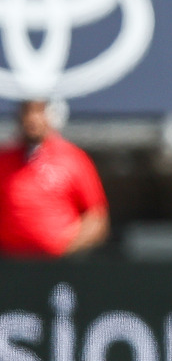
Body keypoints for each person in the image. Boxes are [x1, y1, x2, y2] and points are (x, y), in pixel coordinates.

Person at [0, 99, 109, 258]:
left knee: (62, 284)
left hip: (60, 270)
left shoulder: (73, 158)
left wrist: (66, 249)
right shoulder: (4, 160)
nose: (33, 119)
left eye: (39, 111)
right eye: (27, 112)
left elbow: (96, 218)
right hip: (11, 268)